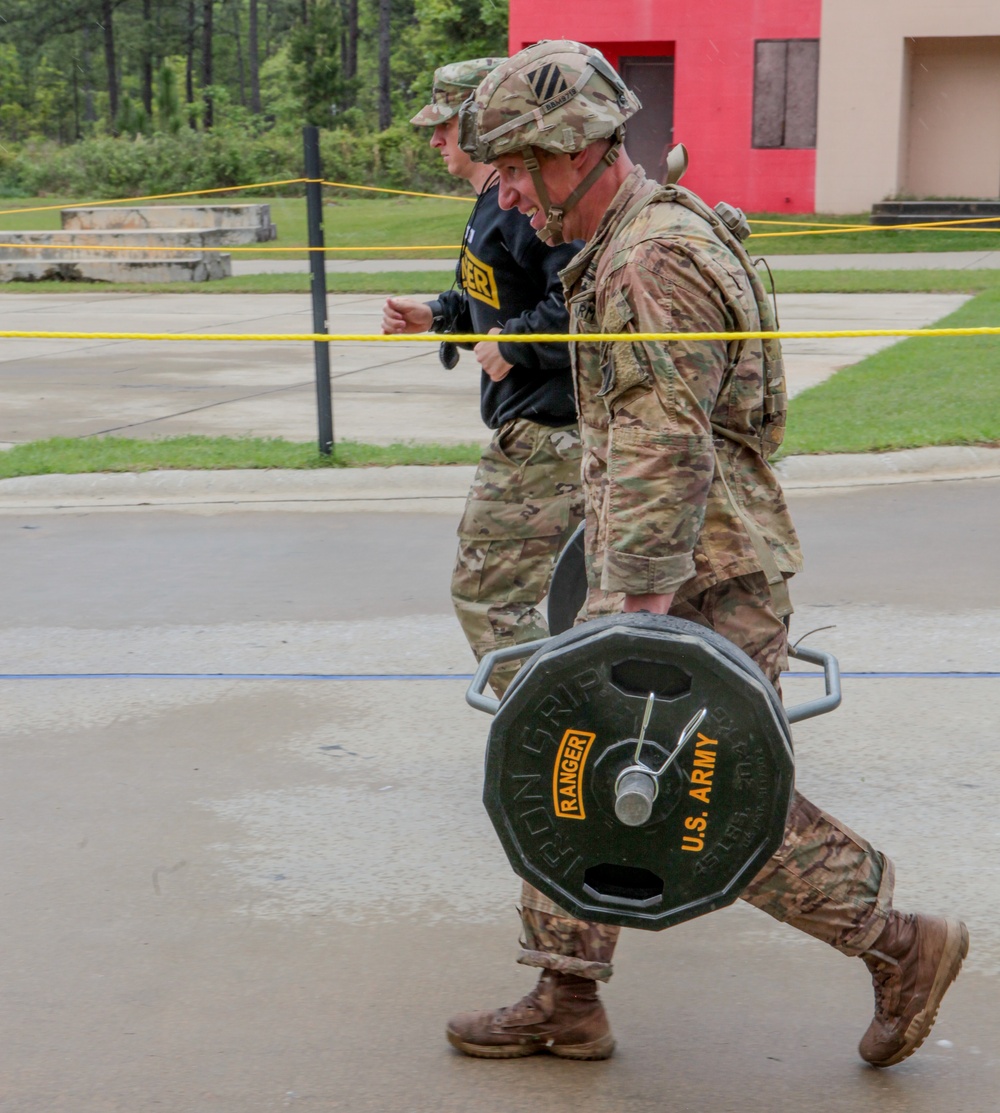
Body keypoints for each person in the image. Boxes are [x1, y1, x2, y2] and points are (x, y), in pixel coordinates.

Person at [446, 39, 969, 1068]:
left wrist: (633, 603)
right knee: (566, 768)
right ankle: (565, 992)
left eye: (515, 167)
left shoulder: (651, 258)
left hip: (699, 581)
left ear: (571, 154)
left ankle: (901, 943)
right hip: (669, 565)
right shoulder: (635, 238)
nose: (504, 190)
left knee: (711, 802)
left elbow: (663, 436)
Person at [382, 58, 584, 696]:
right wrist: (438, 313)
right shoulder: (493, 204)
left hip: (547, 429)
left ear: (478, 122)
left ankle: (555, 735)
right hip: (534, 427)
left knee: (487, 595)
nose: (434, 139)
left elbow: (579, 298)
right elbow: (497, 296)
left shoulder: (525, 206)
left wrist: (516, 346)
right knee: (564, 594)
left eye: (442, 124)